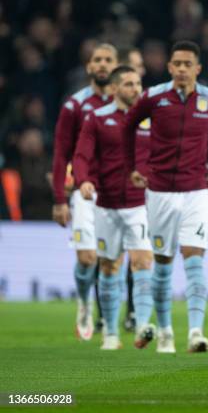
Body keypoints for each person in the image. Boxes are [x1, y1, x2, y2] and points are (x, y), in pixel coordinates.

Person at [124, 40, 208, 354]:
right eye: (177, 64)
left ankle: (196, 332)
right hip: (160, 193)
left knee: (195, 259)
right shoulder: (153, 97)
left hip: (196, 191)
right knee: (164, 263)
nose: (182, 69)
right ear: (169, 67)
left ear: (197, 68)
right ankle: (166, 330)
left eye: (187, 64)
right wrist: (134, 167)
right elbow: (128, 128)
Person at [73, 65, 155, 350]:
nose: (136, 89)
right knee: (109, 266)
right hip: (105, 204)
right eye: (130, 84)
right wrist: (83, 180)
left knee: (143, 260)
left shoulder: (150, 119)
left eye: (138, 83)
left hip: (140, 204)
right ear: (116, 88)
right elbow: (82, 155)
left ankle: (143, 325)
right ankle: (110, 332)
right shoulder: (97, 119)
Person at [52, 43, 116, 341]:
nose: (102, 65)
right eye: (97, 60)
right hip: (84, 191)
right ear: (89, 67)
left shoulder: (129, 105)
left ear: (116, 65)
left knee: (109, 261)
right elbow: (60, 154)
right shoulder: (74, 105)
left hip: (117, 194)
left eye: (108, 60)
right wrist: (59, 200)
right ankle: (83, 304)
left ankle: (111, 322)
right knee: (88, 257)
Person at [117, 46, 146, 332]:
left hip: (146, 195)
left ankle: (136, 311)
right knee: (108, 259)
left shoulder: (149, 107)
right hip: (109, 195)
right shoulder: (94, 110)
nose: (139, 75)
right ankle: (102, 315)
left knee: (140, 256)